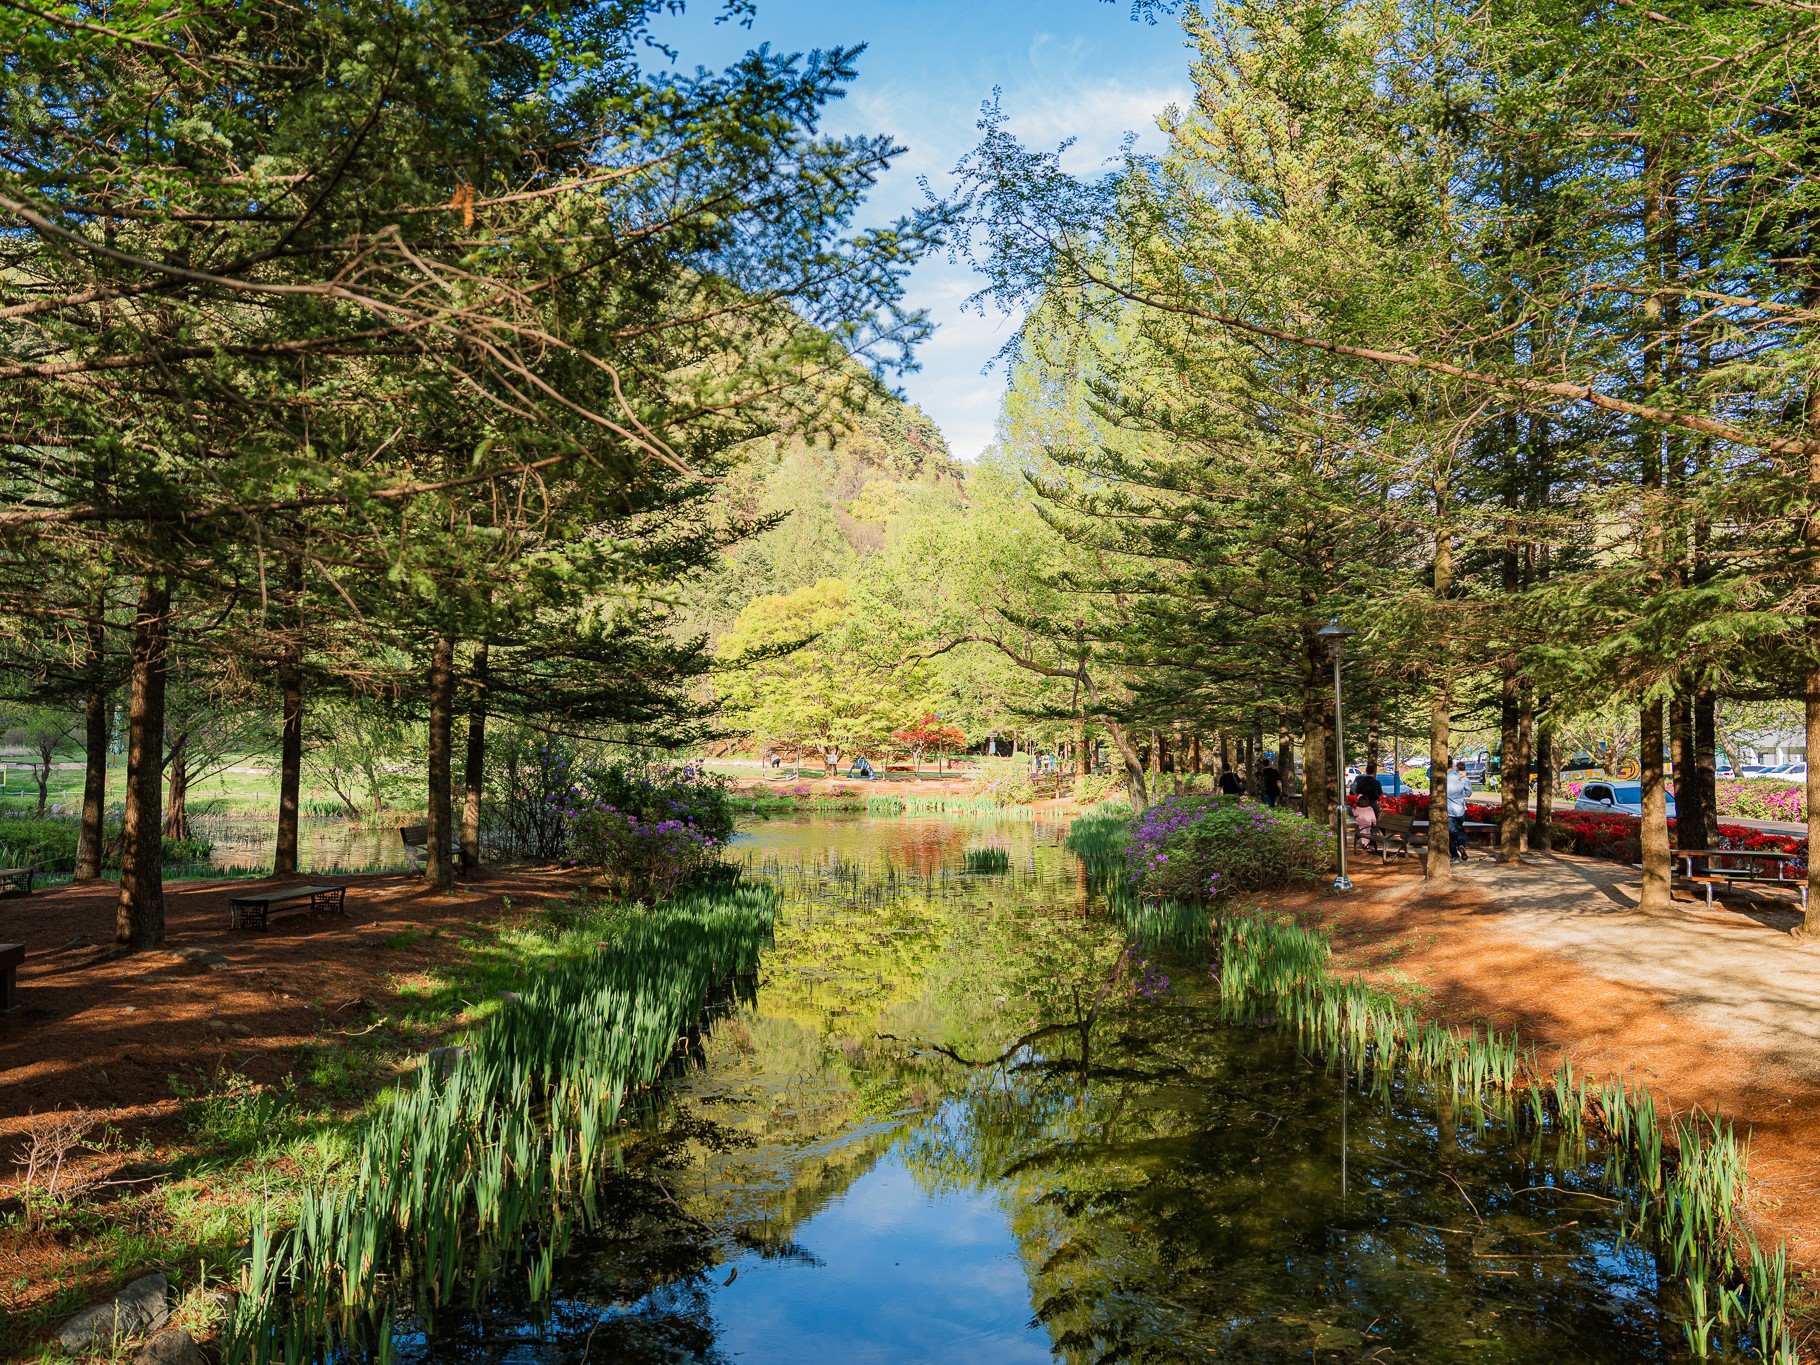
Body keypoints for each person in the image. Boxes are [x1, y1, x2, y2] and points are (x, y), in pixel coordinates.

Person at [1446, 759, 1473, 861]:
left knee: (1451, 833)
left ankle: (1454, 855)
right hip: (1460, 809)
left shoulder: (1443, 778)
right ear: (1452, 764)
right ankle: (1461, 844)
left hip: (1449, 810)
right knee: (1460, 829)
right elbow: (1468, 793)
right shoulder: (1462, 777)